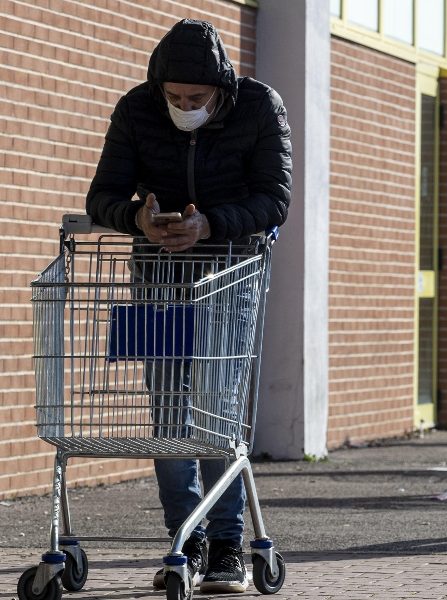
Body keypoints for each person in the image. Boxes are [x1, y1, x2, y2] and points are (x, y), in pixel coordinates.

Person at [86, 19, 292, 593]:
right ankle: (185, 535)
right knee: (169, 408)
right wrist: (139, 220)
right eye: (173, 98)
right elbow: (102, 194)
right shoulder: (136, 108)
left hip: (230, 272)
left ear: (220, 90)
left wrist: (209, 224)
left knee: (214, 403)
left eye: (196, 99)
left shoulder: (259, 106)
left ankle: (226, 541)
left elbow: (274, 199)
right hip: (156, 275)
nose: (183, 107)